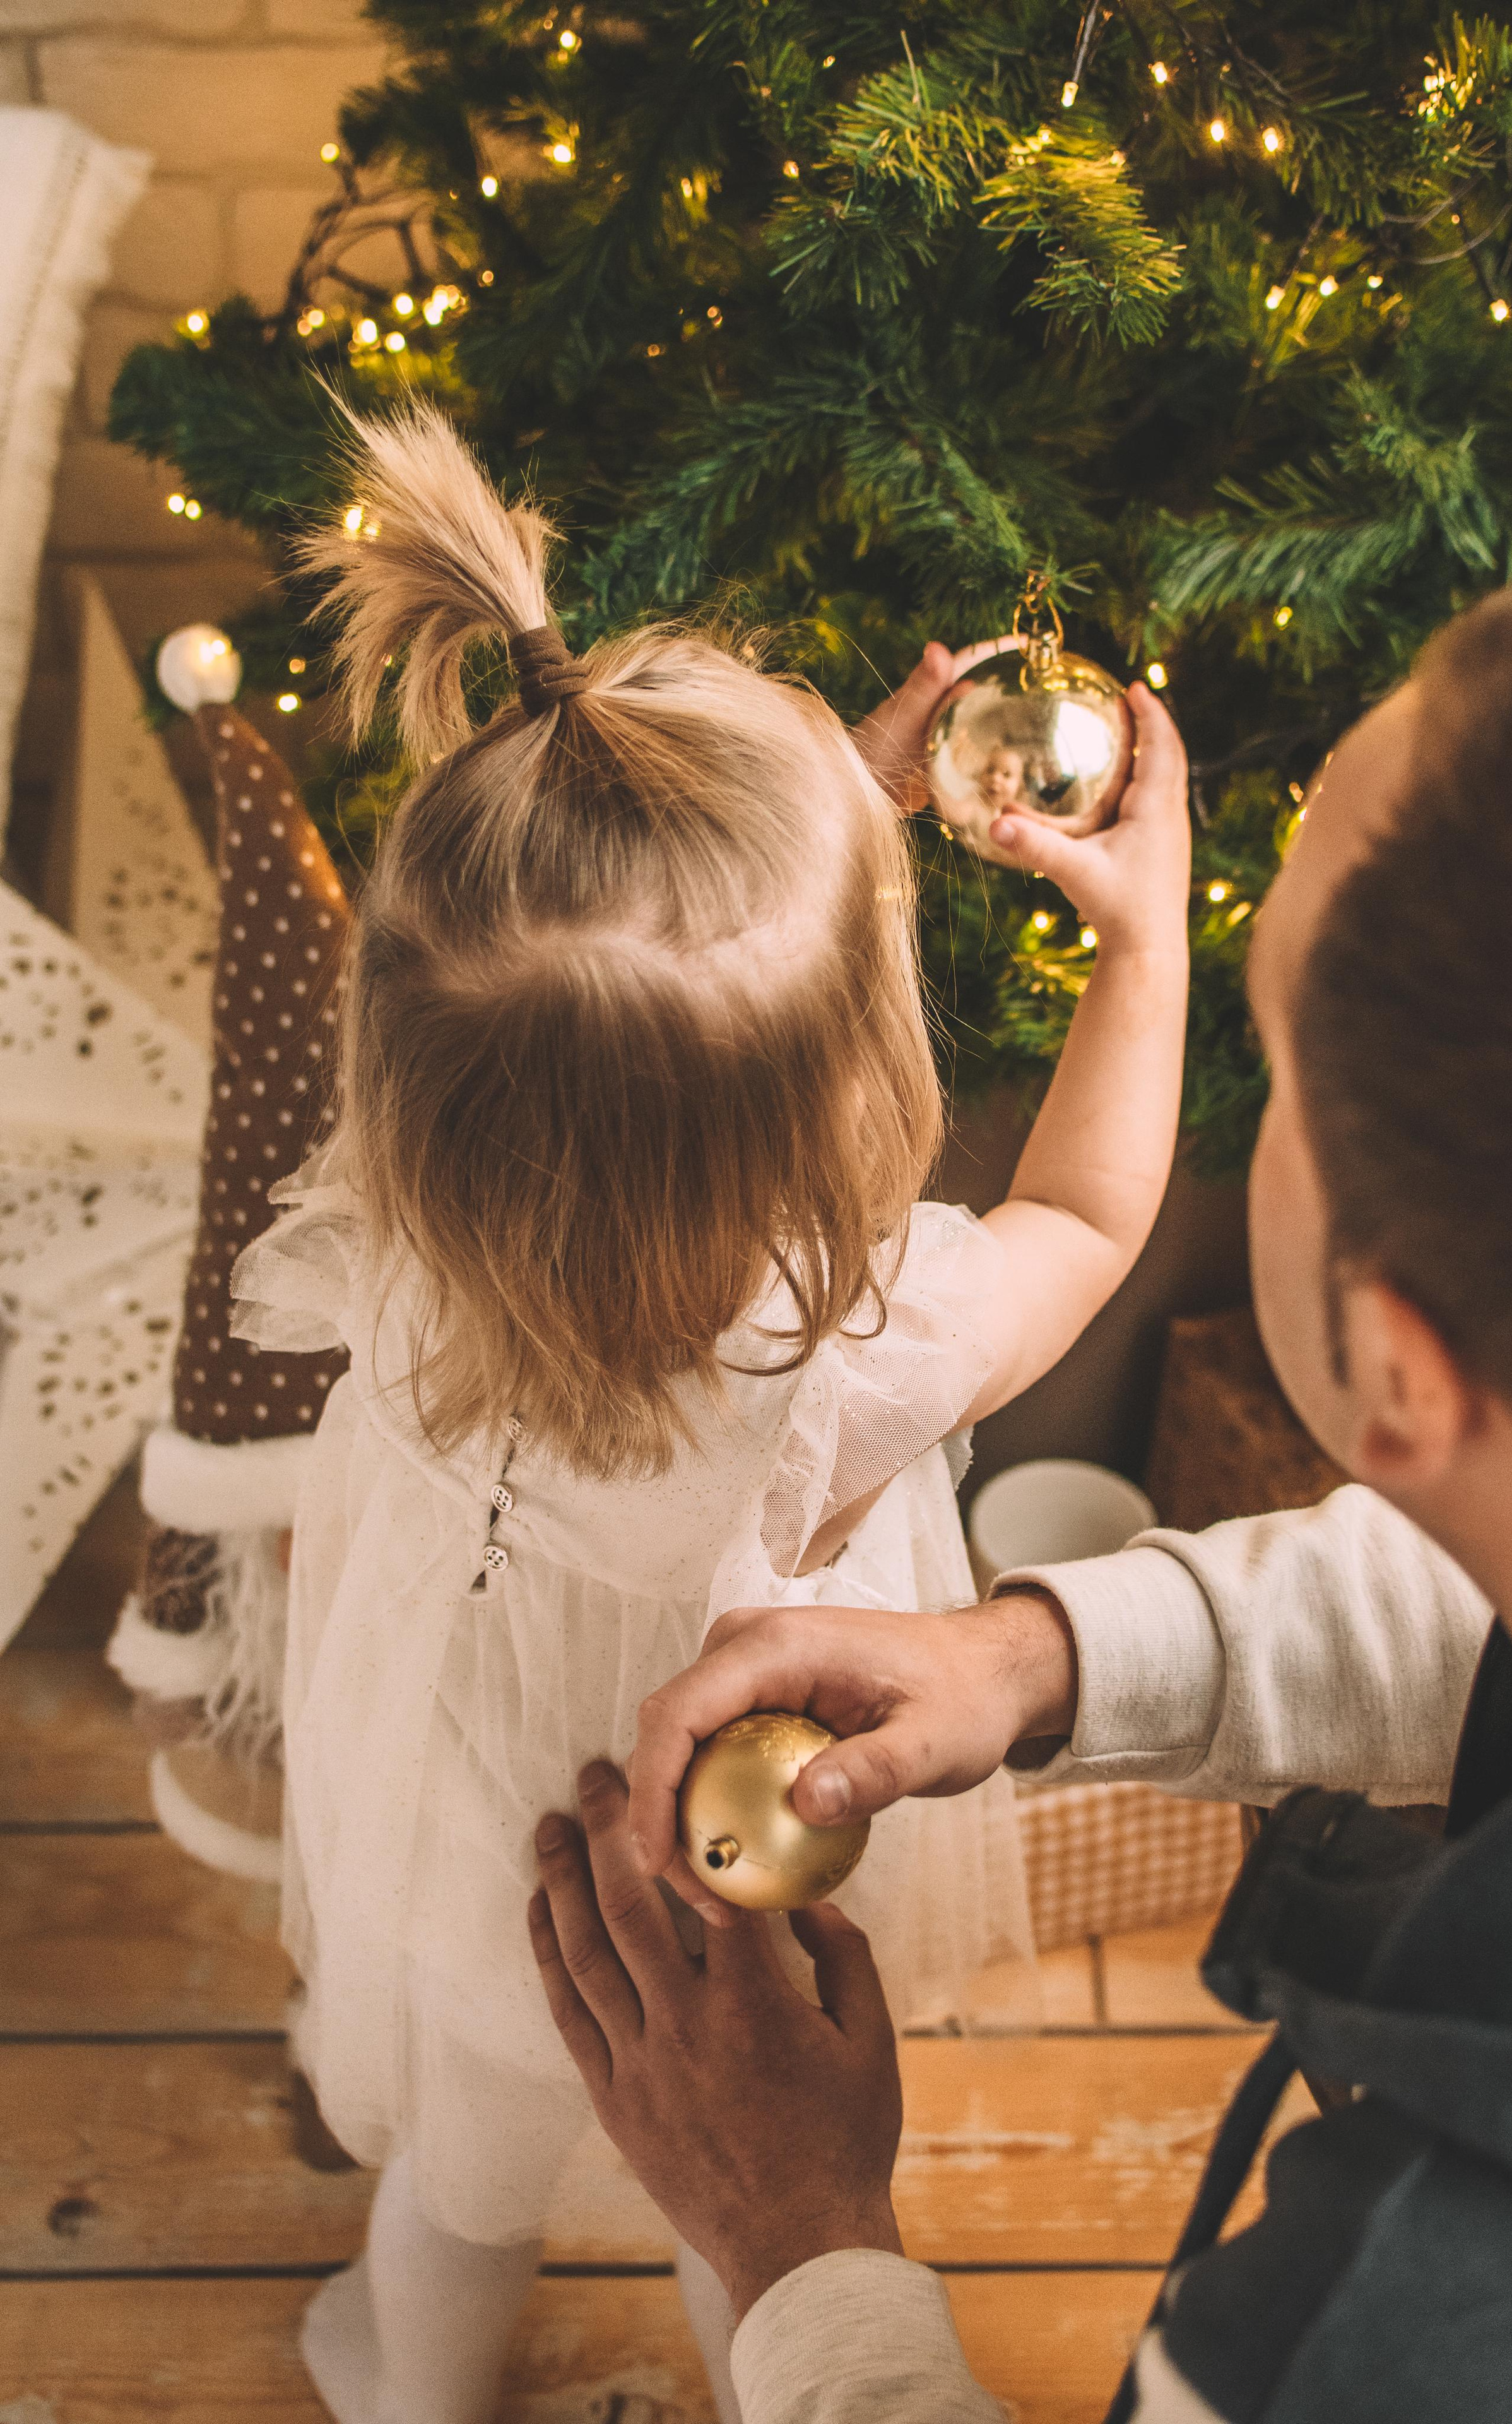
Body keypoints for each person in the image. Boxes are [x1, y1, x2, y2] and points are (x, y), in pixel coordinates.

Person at [529, 555, 1512, 2421]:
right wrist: (1046, 1656)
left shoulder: (1370, 2348)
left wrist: (799, 2246)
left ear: (1400, 1360)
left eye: (1269, 1071)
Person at [228, 396, 1193, 2424]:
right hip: (714, 1890)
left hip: (456, 1853)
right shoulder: (836, 1356)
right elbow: (1092, 1210)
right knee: (743, 2197)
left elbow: (612, 1043)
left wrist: (794, 838)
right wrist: (1147, 947)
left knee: (461, 2188)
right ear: (858, 1082)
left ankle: (410, 2389)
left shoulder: (417, 1228)